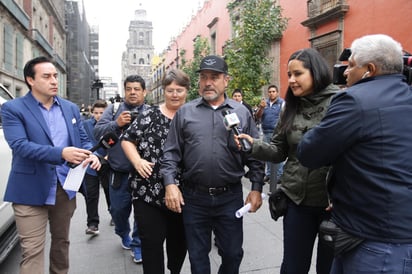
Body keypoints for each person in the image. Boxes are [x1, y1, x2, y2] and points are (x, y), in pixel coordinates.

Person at [297, 34, 412, 274]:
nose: (345, 73)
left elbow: (309, 152)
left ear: (369, 69)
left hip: (373, 241)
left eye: (350, 66)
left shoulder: (353, 100)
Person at [237, 48, 340, 274]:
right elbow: (278, 151)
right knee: (293, 266)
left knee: (330, 268)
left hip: (333, 206)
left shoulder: (341, 102)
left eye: (298, 74)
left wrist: (344, 191)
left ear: (316, 72)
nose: (292, 80)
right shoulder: (290, 106)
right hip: (296, 201)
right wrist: (253, 145)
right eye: (289, 74)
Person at [160, 55, 265, 274]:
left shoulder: (241, 112)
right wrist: (170, 184)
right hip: (194, 197)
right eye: (204, 77)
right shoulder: (185, 113)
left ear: (226, 80)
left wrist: (256, 188)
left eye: (214, 77)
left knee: (233, 254)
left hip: (230, 197)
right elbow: (170, 153)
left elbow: (254, 154)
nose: (208, 82)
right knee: (198, 257)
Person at [1, 56, 101, 274]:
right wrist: (61, 153)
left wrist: (91, 155)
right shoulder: (13, 109)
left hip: (65, 188)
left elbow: (83, 139)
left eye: (55, 76)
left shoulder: (70, 108)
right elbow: (20, 146)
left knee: (61, 244)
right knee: (32, 251)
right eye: (46, 76)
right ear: (30, 80)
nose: (54, 80)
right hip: (29, 189)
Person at [121, 69, 189, 274]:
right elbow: (127, 140)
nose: (174, 94)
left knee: (179, 242)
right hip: (147, 191)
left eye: (179, 90)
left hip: (183, 192)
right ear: (163, 91)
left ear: (187, 91)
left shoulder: (193, 115)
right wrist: (137, 161)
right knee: (151, 243)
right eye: (170, 90)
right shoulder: (149, 114)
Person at [94, 75, 149, 263]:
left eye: (137, 89)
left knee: (143, 214)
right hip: (118, 172)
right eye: (129, 89)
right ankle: (122, 232)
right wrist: (116, 124)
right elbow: (97, 131)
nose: (132, 92)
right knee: (118, 211)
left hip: (143, 173)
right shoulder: (115, 109)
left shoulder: (151, 111)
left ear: (144, 92)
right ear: (124, 91)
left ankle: (137, 244)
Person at [80, 99, 110, 235]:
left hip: (108, 164)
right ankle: (92, 224)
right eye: (96, 112)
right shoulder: (86, 125)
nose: (98, 115)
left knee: (110, 192)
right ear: (92, 113)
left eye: (102, 113)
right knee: (91, 195)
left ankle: (114, 214)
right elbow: (82, 140)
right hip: (90, 164)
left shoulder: (111, 125)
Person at [254, 84, 284, 191]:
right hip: (266, 132)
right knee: (267, 154)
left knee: (277, 153)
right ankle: (269, 174)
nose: (271, 93)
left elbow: (285, 117)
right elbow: (257, 116)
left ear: (277, 93)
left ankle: (279, 175)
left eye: (273, 91)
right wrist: (261, 108)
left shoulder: (282, 103)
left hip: (277, 133)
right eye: (270, 92)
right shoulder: (264, 103)